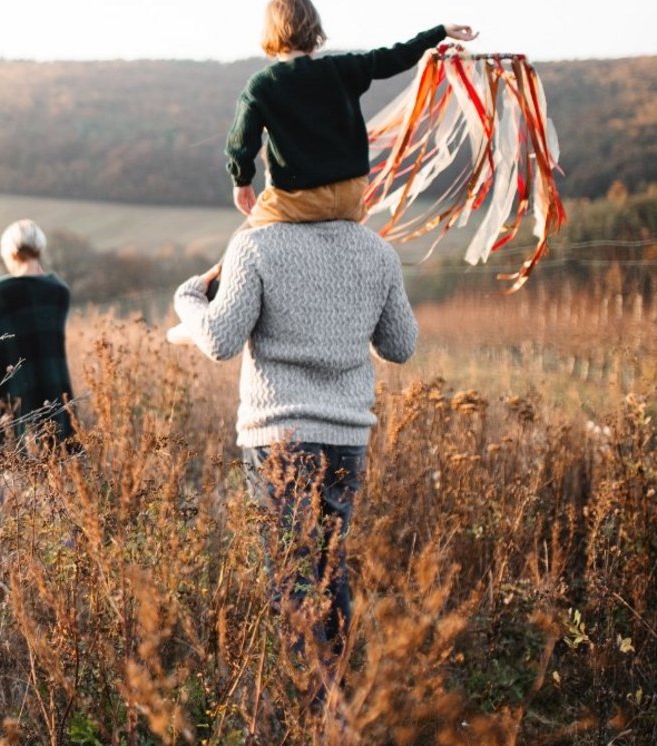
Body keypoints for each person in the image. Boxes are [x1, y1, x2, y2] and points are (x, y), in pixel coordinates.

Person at [171, 219, 418, 702]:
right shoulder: (377, 251)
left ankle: (316, 713)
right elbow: (400, 345)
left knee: (293, 576)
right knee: (331, 569)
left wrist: (189, 297)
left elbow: (220, 341)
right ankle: (336, 705)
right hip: (346, 436)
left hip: (280, 440)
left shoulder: (255, 244)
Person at [227, 0, 478, 226]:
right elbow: (394, 57)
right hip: (351, 198)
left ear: (269, 31)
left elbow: (242, 143)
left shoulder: (260, 86)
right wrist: (440, 31)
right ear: (314, 28)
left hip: (298, 202)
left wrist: (242, 182)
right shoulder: (343, 68)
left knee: (244, 238)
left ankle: (210, 278)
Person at [0, 219, 77, 490]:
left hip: (8, 397)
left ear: (9, 253)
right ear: (39, 249)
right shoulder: (60, 291)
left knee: (6, 486)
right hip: (54, 393)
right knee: (57, 480)